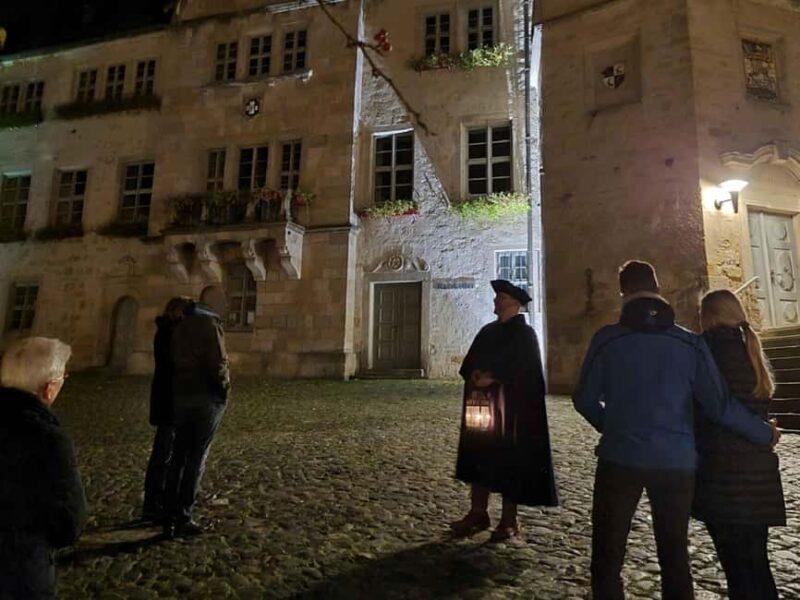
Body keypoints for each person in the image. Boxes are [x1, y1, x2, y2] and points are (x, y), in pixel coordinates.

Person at [573, 260, 780, 600]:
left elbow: (584, 399)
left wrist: (613, 427)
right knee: (674, 556)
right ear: (657, 288)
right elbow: (719, 406)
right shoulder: (688, 344)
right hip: (676, 463)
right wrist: (763, 433)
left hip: (620, 458)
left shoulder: (607, 340)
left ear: (623, 292)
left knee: (608, 556)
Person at [451, 279, 558, 542]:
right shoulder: (487, 332)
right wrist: (475, 374)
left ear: (514, 303)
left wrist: (497, 378)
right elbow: (470, 364)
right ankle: (478, 512)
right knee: (478, 458)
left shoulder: (524, 335)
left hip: (511, 414)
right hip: (482, 409)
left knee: (511, 462)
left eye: (501, 298)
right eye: (497, 298)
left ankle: (509, 519)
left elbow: (529, 375)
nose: (496, 302)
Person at [694, 290, 785, 600]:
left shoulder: (707, 351)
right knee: (758, 565)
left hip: (724, 478)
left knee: (737, 570)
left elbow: (717, 410)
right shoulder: (750, 349)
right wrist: (765, 433)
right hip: (758, 478)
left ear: (709, 317)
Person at [0, 337, 87, 599]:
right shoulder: (48, 439)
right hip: (20, 572)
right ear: (48, 389)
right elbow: (69, 521)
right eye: (63, 379)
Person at [162, 300, 230, 538]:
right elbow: (219, 363)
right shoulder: (211, 325)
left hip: (182, 396)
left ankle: (167, 515)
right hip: (206, 398)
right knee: (196, 457)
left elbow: (173, 360)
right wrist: (224, 390)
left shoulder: (180, 327)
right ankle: (183, 515)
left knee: (177, 455)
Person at [142, 296, 191, 523]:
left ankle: (161, 499)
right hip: (170, 400)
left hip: (170, 399)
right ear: (176, 312)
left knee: (168, 452)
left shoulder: (168, 331)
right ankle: (153, 502)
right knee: (163, 453)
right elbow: (174, 365)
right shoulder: (168, 333)